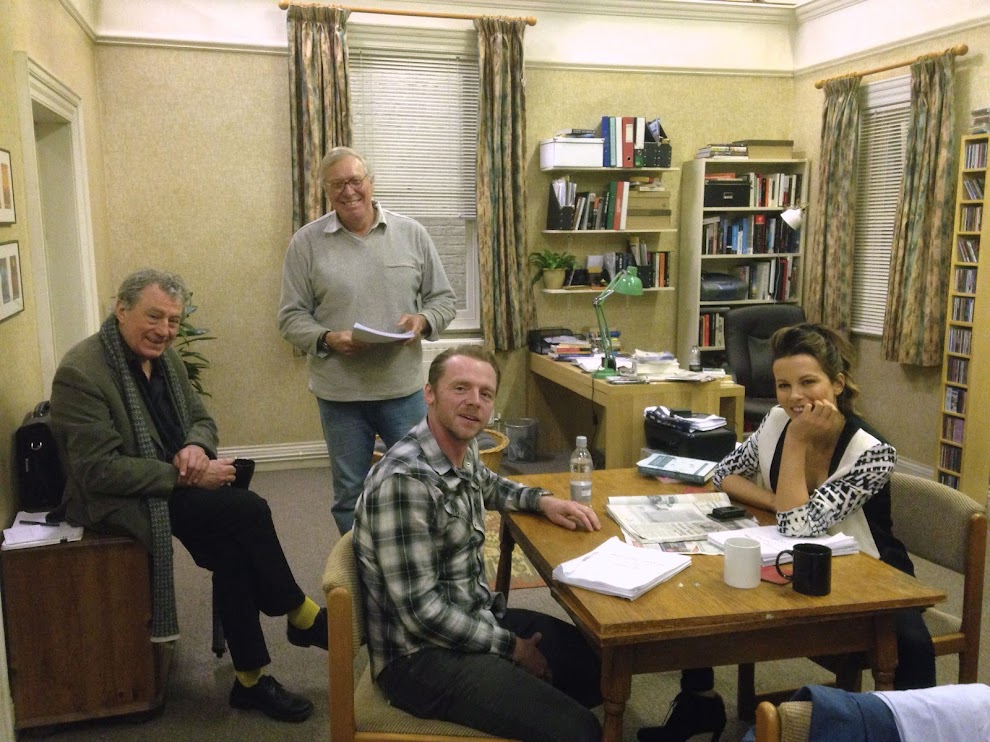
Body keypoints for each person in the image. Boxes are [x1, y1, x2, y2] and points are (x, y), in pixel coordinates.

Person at [51, 269, 329, 723]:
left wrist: (197, 448)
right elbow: (97, 470)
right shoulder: (81, 372)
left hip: (173, 484)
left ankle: (250, 682)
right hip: (121, 500)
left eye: (173, 320)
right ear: (121, 309)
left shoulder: (168, 360)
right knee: (249, 510)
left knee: (234, 551)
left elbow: (202, 421)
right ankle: (300, 613)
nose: (164, 330)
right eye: (153, 316)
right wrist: (185, 478)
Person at [637, 323, 936, 742]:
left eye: (808, 382)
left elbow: (797, 526)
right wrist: (778, 500)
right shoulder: (777, 419)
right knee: (700, 583)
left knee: (911, 644)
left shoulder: (872, 451)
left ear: (838, 383)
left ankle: (910, 728)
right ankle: (699, 701)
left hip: (869, 574)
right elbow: (724, 475)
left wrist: (795, 443)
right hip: (797, 559)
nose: (794, 397)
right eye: (783, 385)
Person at [352, 345, 604, 742]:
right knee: (580, 731)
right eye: (460, 388)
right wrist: (514, 649)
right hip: (418, 658)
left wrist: (543, 501)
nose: (474, 401)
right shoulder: (404, 482)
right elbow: (422, 614)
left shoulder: (458, 446)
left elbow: (489, 484)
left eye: (485, 393)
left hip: (471, 615)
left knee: (599, 665)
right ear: (429, 393)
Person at [277, 146, 456, 535]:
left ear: (371, 183)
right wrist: (327, 338)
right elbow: (290, 318)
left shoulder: (412, 234)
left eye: (355, 180)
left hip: (402, 390)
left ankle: (416, 557)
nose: (348, 191)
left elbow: (444, 300)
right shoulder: (306, 243)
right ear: (326, 191)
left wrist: (422, 321)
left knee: (421, 482)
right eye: (337, 184)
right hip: (340, 395)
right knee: (350, 494)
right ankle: (360, 567)